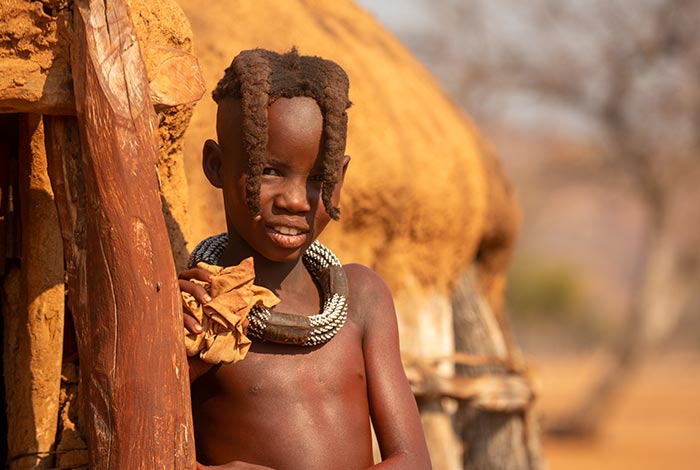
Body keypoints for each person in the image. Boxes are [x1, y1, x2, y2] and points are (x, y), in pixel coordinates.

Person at [178, 48, 431, 470]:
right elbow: (151, 449)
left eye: (318, 179)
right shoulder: (199, 311)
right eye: (270, 171)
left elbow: (412, 461)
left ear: (341, 179)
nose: (296, 200)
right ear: (216, 166)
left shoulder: (362, 299)